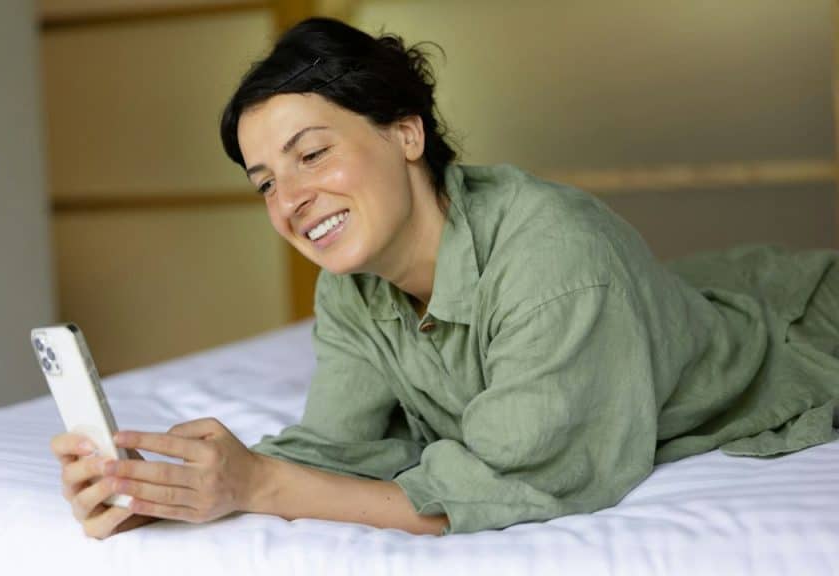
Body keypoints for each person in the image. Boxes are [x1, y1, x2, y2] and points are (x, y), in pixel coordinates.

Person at [50, 17, 839, 539]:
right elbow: (338, 445)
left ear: (405, 133)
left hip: (807, 328)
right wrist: (169, 493)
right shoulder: (351, 282)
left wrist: (261, 488)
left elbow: (516, 480)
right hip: (688, 295)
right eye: (264, 182)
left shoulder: (554, 256)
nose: (290, 202)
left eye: (312, 154)